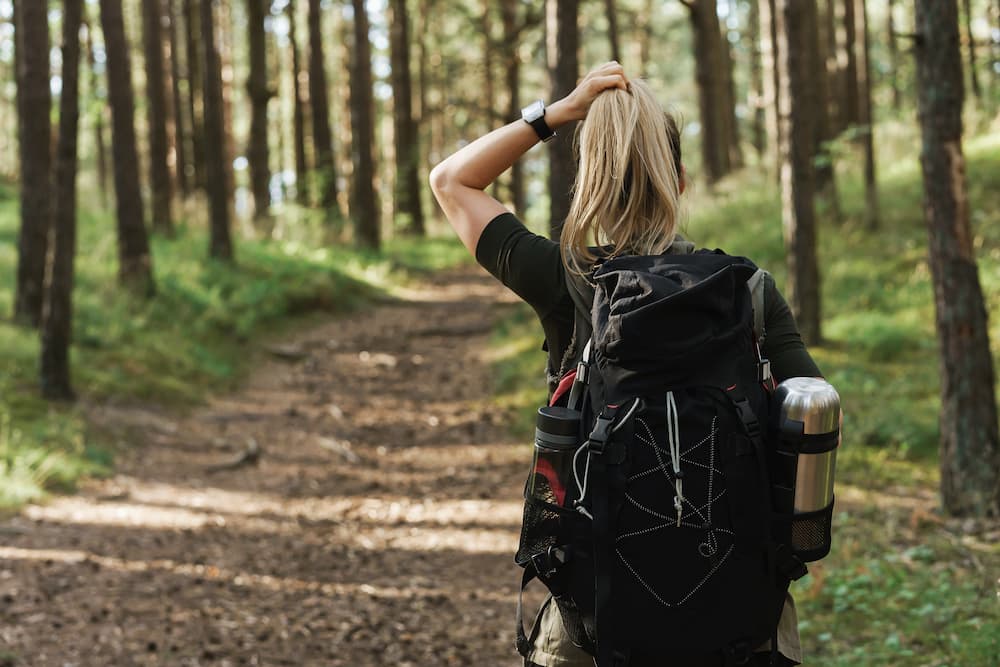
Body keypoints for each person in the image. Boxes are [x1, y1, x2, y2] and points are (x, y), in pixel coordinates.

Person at [430, 62, 819, 667]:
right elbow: (813, 414)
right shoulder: (748, 290)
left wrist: (557, 112)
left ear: (591, 181)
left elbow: (452, 181)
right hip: (746, 618)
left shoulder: (568, 280)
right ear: (681, 180)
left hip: (594, 620)